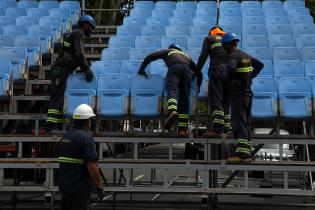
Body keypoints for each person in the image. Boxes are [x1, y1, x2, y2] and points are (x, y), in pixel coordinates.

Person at [45, 15, 96, 134]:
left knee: (59, 97)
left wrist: (85, 64)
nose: (91, 30)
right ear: (85, 24)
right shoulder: (79, 33)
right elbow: (79, 54)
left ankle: (53, 126)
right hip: (60, 69)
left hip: (63, 70)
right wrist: (86, 70)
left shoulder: (75, 33)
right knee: (57, 97)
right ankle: (49, 127)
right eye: (91, 27)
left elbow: (75, 55)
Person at [137, 44, 198, 136]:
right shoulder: (186, 55)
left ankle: (172, 110)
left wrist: (142, 69)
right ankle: (182, 130)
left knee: (172, 89)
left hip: (175, 68)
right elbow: (199, 72)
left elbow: (151, 56)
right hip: (187, 72)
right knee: (185, 99)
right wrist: (198, 84)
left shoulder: (168, 51)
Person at [221, 33, 264, 161]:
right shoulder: (245, 55)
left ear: (229, 45)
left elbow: (231, 69)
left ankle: (242, 155)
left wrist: (229, 80)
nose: (223, 49)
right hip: (248, 94)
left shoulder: (233, 56)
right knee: (246, 123)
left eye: (224, 46)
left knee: (238, 123)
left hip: (238, 96)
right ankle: (247, 152)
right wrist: (250, 77)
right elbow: (260, 65)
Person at [58, 104, 104, 210]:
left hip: (65, 188)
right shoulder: (85, 138)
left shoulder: (65, 137)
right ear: (87, 121)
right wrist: (99, 186)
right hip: (79, 190)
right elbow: (92, 166)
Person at [195, 26, 231, 137]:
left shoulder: (209, 39)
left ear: (211, 32)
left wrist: (196, 71)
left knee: (217, 99)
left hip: (217, 71)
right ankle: (226, 128)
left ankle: (218, 130)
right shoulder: (228, 39)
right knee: (226, 101)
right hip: (230, 72)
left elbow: (203, 56)